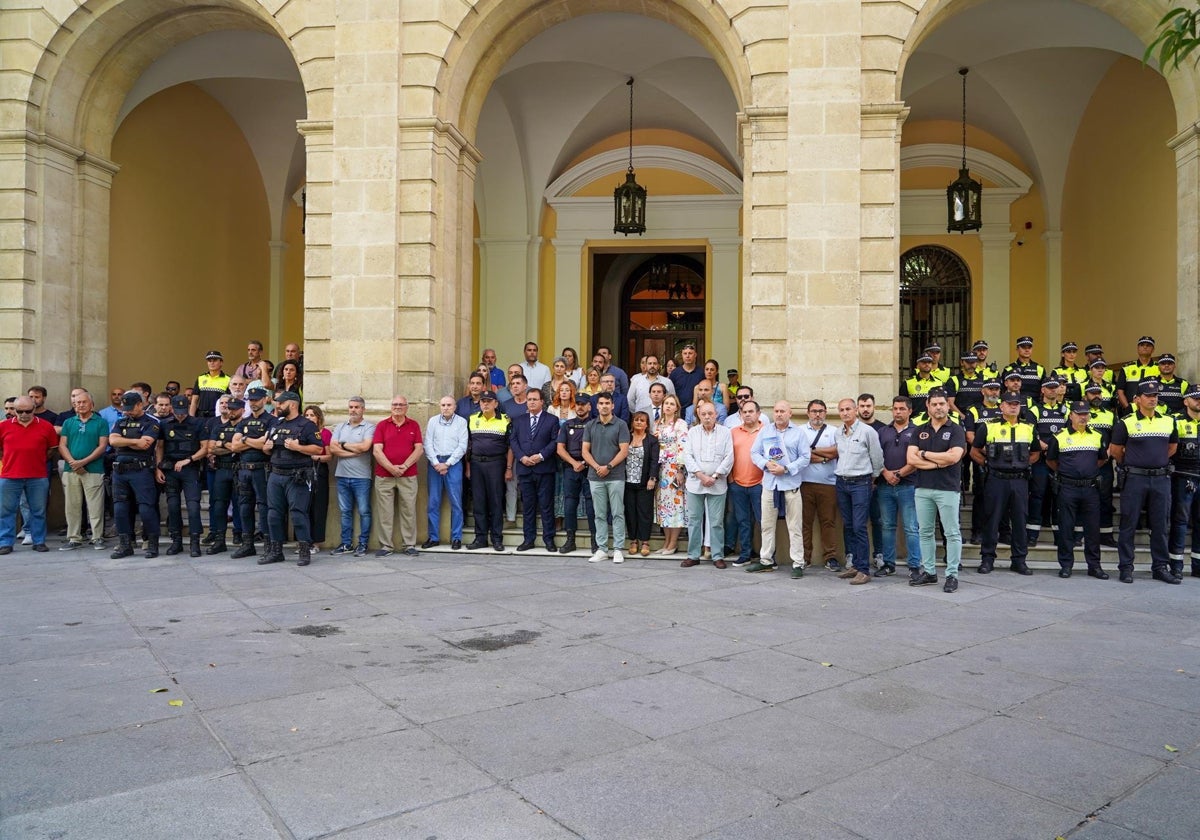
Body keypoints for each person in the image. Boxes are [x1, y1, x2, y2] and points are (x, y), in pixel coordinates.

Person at [1109, 380, 1178, 583]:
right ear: (1137, 399)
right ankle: (1126, 567)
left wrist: (1156, 461)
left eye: (1155, 395)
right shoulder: (1126, 422)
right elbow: (1115, 451)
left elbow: (1172, 447)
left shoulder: (1168, 421)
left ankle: (1160, 567)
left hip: (1160, 479)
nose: (1153, 399)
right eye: (1148, 396)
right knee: (1128, 523)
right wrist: (1135, 464)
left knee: (1160, 525)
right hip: (1135, 478)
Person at [971, 392, 1040, 575]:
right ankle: (987, 559)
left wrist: (1024, 464)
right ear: (1001, 406)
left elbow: (1035, 453)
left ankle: (1019, 560)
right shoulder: (988, 426)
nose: (1013, 406)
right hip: (996, 479)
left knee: (1019, 521)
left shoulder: (1029, 428)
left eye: (1016, 404)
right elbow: (974, 451)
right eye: (1009, 403)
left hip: (1019, 480)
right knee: (991, 519)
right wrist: (987, 464)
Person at [907, 390, 967, 592]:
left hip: (947, 489)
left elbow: (953, 458)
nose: (939, 407)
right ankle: (930, 572)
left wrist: (924, 454)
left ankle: (952, 575)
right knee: (924, 532)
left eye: (942, 403)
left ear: (948, 405)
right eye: (935, 404)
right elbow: (911, 459)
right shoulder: (919, 430)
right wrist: (938, 462)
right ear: (928, 405)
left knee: (952, 533)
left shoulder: (956, 430)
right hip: (923, 488)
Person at [1046, 401, 1110, 579]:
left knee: (1092, 529)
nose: (1083, 417)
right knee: (1066, 528)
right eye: (1079, 413)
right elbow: (1051, 461)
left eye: (1086, 414)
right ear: (1071, 415)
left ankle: (1094, 566)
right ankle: (1066, 565)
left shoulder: (1097, 436)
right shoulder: (1059, 436)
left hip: (1090, 488)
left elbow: (1102, 459)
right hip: (1068, 487)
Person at [260, 391, 323, 566]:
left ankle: (304, 551)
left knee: (298, 514)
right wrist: (266, 447)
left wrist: (297, 447)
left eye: (281, 403)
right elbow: (267, 449)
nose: (277, 406)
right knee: (273, 514)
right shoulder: (276, 424)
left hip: (297, 476)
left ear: (293, 404)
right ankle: (276, 551)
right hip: (276, 474)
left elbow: (318, 449)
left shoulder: (307, 425)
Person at [746, 400, 809, 575]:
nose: (779, 414)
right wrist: (766, 465)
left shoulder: (799, 433)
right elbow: (754, 453)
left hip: (791, 485)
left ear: (790, 413)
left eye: (782, 411)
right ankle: (766, 560)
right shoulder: (765, 431)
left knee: (794, 526)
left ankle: (797, 563)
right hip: (770, 484)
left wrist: (786, 469)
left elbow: (805, 457)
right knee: (766, 525)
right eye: (776, 411)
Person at [833, 398, 884, 584]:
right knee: (848, 525)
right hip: (842, 482)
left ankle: (864, 569)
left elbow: (877, 457)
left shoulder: (867, 432)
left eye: (848, 409)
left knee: (859, 526)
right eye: (841, 410)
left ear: (855, 410)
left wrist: (873, 478)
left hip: (861, 483)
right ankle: (855, 564)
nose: (845, 412)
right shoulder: (838, 433)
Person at [0, 396, 59, 553]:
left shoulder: (46, 427)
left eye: (28, 411)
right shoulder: (3, 426)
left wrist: (36, 459)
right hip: (9, 475)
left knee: (38, 510)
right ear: (14, 410)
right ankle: (5, 542)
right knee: (6, 510)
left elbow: (52, 449)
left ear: (34, 409)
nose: (24, 414)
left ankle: (39, 541)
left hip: (37, 475)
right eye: (19, 411)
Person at [107, 392, 161, 559]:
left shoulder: (151, 423)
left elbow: (145, 444)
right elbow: (113, 441)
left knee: (146, 508)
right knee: (120, 508)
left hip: (141, 470)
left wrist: (126, 441)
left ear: (140, 404)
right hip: (120, 471)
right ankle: (125, 544)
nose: (128, 412)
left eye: (131, 408)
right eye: (126, 408)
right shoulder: (120, 421)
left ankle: (152, 543)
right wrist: (134, 441)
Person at [680, 401, 734, 568]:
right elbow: (687, 456)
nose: (707, 417)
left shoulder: (725, 432)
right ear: (699, 415)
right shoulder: (693, 432)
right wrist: (701, 475)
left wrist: (715, 475)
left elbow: (729, 456)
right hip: (696, 482)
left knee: (716, 521)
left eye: (710, 413)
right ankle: (693, 555)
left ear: (716, 414)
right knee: (694, 520)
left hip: (717, 483)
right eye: (703, 414)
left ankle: (717, 555)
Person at [874, 396, 922, 579]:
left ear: (910, 411)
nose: (898, 412)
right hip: (885, 486)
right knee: (887, 526)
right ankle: (888, 564)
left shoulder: (918, 431)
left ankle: (914, 566)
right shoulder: (883, 431)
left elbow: (918, 459)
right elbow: (876, 456)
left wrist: (900, 473)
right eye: (895, 408)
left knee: (911, 527)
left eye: (902, 409)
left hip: (909, 486)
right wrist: (885, 473)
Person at [372, 395, 424, 558]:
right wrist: (391, 468)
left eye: (401, 404)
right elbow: (377, 450)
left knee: (409, 510)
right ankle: (386, 546)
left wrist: (404, 466)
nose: (398, 407)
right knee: (385, 512)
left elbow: (419, 449)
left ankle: (409, 544)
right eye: (395, 404)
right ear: (391, 407)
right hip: (384, 476)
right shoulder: (382, 425)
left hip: (408, 475)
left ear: (407, 407)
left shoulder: (414, 425)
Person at [156, 394, 207, 557]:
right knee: (173, 507)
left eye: (183, 411)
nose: (180, 414)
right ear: (171, 408)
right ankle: (176, 541)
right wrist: (158, 467)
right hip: (170, 470)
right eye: (177, 411)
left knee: (193, 506)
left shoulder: (198, 423)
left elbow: (205, 448)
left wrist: (188, 460)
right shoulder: (164, 424)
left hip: (190, 469)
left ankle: (194, 542)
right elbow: (160, 447)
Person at [57, 390, 108, 551]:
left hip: (93, 469)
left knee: (95, 506)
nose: (80, 405)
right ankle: (74, 538)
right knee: (72, 506)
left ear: (91, 404)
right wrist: (73, 462)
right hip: (70, 470)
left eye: (83, 402)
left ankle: (97, 537)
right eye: (77, 402)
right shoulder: (68, 422)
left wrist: (83, 462)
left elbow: (102, 446)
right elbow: (62, 445)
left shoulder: (100, 422)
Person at [229, 387, 277, 559]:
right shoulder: (243, 421)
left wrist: (244, 439)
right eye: (251, 400)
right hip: (243, 469)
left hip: (261, 469)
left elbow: (266, 445)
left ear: (265, 400)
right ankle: (247, 544)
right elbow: (234, 446)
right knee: (244, 507)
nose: (253, 403)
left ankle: (268, 544)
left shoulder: (272, 421)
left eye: (256, 399)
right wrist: (253, 441)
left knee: (264, 508)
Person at [582, 392, 630, 563]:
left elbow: (624, 450)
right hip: (595, 477)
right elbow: (585, 451)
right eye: (601, 403)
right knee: (599, 514)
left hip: (616, 475)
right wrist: (597, 467)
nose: (604, 406)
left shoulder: (621, 424)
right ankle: (602, 549)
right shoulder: (590, 425)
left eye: (607, 403)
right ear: (596, 406)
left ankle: (618, 549)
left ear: (612, 405)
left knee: (617, 513)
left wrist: (608, 467)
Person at [511, 389, 560, 551]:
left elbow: (555, 441)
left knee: (546, 506)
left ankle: (549, 539)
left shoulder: (552, 420)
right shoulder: (519, 420)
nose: (531, 402)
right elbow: (514, 441)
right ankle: (528, 539)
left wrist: (540, 456)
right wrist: (522, 457)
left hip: (544, 468)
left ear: (541, 402)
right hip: (525, 469)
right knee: (528, 506)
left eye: (534, 399)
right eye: (529, 399)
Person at [330, 396, 375, 557]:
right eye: (351, 407)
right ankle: (346, 543)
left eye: (357, 407)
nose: (353, 410)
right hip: (342, 475)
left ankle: (363, 544)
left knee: (364, 511)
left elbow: (365, 446)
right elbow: (332, 449)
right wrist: (352, 452)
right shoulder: (340, 426)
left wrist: (343, 445)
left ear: (363, 409)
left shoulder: (369, 427)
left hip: (361, 477)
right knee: (345, 511)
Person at [466, 392, 511, 551]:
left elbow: (510, 447)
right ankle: (480, 538)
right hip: (477, 464)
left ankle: (497, 539)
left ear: (495, 404)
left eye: (488, 401)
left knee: (496, 502)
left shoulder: (505, 420)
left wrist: (508, 468)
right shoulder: (472, 419)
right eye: (483, 401)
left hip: (496, 464)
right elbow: (469, 445)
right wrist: (468, 467)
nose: (485, 404)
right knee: (479, 502)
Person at [799, 399, 840, 571]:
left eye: (821, 411)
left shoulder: (834, 431)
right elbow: (800, 455)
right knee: (804, 523)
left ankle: (830, 557)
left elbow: (837, 451)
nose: (817, 414)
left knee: (828, 522)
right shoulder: (799, 431)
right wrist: (824, 457)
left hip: (828, 484)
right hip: (804, 483)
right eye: (814, 411)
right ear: (808, 413)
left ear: (825, 413)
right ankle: (804, 557)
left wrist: (812, 451)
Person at [422, 395, 468, 550]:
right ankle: (433, 537)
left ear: (455, 406)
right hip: (435, 463)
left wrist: (447, 463)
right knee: (433, 502)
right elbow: (427, 443)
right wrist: (436, 463)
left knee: (456, 502)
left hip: (453, 463)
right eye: (443, 405)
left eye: (449, 405)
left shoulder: (461, 422)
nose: (446, 407)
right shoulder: (433, 421)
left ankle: (456, 538)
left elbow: (463, 446)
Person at [1029, 377, 1069, 547]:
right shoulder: (1034, 410)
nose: (1053, 390)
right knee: (1037, 496)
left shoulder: (1065, 410)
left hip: (1059, 461)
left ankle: (1059, 536)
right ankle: (1032, 535)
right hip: (1040, 461)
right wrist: (1043, 446)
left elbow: (1069, 432)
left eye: (1055, 387)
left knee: (1058, 499)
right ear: (1043, 390)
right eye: (1050, 387)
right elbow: (1031, 432)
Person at [557, 393, 598, 554]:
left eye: (584, 404)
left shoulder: (595, 424)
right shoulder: (567, 425)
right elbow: (560, 448)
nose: (580, 407)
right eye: (578, 404)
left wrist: (586, 462)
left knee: (591, 505)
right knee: (569, 504)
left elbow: (599, 447)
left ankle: (595, 540)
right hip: (571, 468)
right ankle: (570, 539)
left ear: (589, 406)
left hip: (590, 468)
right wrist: (574, 463)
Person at [965, 380, 1004, 543]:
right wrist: (986, 451)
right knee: (981, 495)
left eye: (996, 389)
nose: (994, 392)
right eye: (991, 389)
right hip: (981, 458)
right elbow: (970, 435)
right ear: (983, 391)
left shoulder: (1004, 408)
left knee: (1003, 497)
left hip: (1004, 461)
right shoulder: (974, 410)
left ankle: (1003, 531)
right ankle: (977, 532)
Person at [726, 399, 763, 566]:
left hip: (760, 484)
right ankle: (746, 553)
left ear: (758, 414)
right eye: (744, 412)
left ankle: (768, 555)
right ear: (740, 415)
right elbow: (727, 456)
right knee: (743, 521)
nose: (747, 414)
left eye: (751, 411)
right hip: (738, 483)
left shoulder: (766, 431)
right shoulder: (733, 432)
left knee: (764, 521)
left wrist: (764, 480)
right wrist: (730, 478)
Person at [205, 396, 242, 555]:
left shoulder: (244, 426)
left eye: (234, 408)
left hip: (238, 469)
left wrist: (224, 444)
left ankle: (241, 536)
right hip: (221, 469)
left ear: (241, 410)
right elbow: (212, 448)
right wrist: (231, 447)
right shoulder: (219, 427)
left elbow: (240, 448)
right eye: (229, 408)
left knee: (241, 504)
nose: (231, 411)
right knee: (219, 505)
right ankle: (219, 540)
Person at [653, 394, 689, 555]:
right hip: (661, 470)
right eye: (666, 403)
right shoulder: (658, 424)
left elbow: (683, 446)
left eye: (671, 404)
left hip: (674, 469)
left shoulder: (680, 424)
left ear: (676, 408)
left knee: (675, 505)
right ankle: (666, 542)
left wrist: (680, 469)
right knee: (663, 507)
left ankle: (673, 543)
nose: (668, 406)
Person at [1170, 386, 1200, 578]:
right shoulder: (1176, 420)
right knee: (1180, 521)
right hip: (1183, 476)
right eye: (1195, 398)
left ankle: (1197, 565)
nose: (1199, 401)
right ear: (1186, 401)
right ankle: (1176, 565)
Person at [1085, 382, 1119, 547]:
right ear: (1086, 396)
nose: (1096, 396)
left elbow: (1116, 438)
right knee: (1084, 499)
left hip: (1105, 463)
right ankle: (1081, 534)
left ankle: (1106, 535)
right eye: (1092, 393)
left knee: (1105, 500)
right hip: (1085, 464)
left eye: (1098, 393)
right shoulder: (1080, 413)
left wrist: (1108, 453)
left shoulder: (1110, 415)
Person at [624, 411, 661, 557]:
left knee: (644, 512)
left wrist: (652, 478)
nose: (639, 422)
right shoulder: (626, 437)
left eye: (642, 420)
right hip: (627, 481)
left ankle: (645, 541)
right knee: (630, 511)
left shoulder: (651, 440)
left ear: (647, 424)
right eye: (636, 420)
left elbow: (654, 461)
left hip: (645, 482)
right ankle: (633, 540)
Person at [304, 404, 332, 554]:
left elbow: (329, 456)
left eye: (312, 415)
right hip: (303, 471)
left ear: (318, 417)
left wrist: (316, 457)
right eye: (307, 415)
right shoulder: (301, 431)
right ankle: (304, 541)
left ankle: (316, 542)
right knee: (303, 507)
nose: (309, 418)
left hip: (319, 471)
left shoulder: (325, 433)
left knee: (318, 507)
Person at [1115, 336, 1159, 414]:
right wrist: (1127, 407)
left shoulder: (1158, 368)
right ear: (1137, 348)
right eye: (1142, 345)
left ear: (1153, 349)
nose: (1145, 347)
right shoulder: (1127, 368)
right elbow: (1120, 390)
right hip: (1130, 411)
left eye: (1148, 345)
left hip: (1152, 410)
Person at [1002, 336, 1047, 402]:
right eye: (1023, 347)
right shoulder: (1009, 369)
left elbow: (1044, 391)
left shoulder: (1040, 368)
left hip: (1035, 405)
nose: (1027, 350)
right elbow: (1003, 390)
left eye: (1029, 347)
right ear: (1017, 349)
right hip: (1015, 404)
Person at [189, 349, 231, 419]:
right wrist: (191, 418)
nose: (212, 363)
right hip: (200, 416)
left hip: (217, 416)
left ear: (221, 362)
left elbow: (230, 402)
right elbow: (194, 401)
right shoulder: (201, 378)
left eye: (214, 360)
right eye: (209, 361)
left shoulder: (228, 379)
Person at [901, 354, 940, 419]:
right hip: (914, 424)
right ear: (918, 365)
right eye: (924, 362)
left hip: (934, 422)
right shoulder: (907, 383)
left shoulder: (939, 383)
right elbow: (902, 405)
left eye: (929, 362)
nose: (927, 364)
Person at [668, 344, 704, 409]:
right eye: (685, 353)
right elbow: (670, 393)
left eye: (690, 353)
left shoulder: (702, 373)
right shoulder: (675, 373)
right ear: (682, 355)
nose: (687, 356)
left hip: (696, 410)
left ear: (695, 355)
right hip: (678, 410)